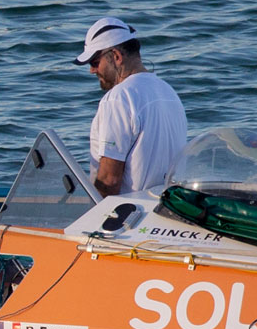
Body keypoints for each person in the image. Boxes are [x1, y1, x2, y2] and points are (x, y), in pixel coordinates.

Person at [77, 14, 188, 195]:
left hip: (127, 215)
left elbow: (109, 180)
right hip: (163, 209)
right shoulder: (169, 92)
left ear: (116, 56)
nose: (92, 70)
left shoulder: (118, 98)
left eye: (95, 62)